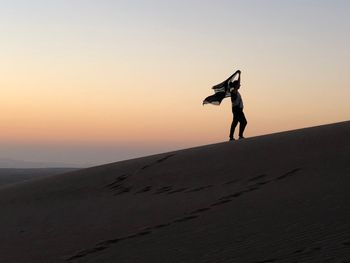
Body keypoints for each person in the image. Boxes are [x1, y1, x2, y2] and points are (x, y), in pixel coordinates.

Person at [229, 70, 247, 141]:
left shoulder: (235, 91)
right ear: (236, 85)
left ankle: (231, 137)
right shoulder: (234, 91)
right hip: (237, 109)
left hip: (237, 109)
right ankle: (240, 136)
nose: (240, 85)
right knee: (244, 122)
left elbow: (238, 84)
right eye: (239, 84)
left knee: (235, 122)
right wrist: (239, 74)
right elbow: (238, 83)